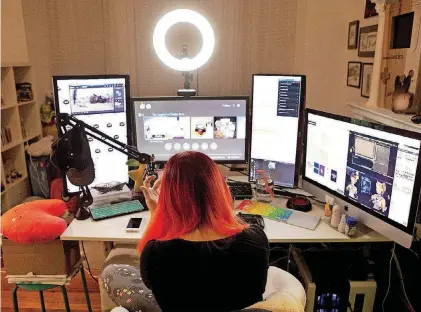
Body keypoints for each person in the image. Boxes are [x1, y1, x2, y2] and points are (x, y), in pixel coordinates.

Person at [137, 151, 269, 312]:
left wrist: (157, 214)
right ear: (220, 188)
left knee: (112, 272)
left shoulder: (154, 253)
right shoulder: (255, 240)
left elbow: (149, 282)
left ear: (169, 197)